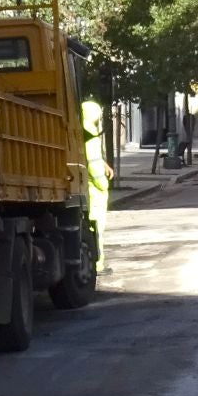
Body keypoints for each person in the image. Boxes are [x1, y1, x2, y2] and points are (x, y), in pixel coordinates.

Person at [79, 101, 113, 273]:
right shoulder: (90, 131)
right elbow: (93, 162)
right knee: (97, 228)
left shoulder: (80, 126)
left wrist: (104, 163)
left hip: (86, 185)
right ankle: (98, 264)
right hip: (94, 190)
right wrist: (103, 184)